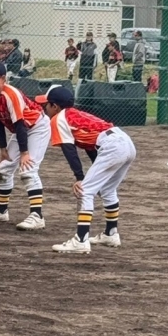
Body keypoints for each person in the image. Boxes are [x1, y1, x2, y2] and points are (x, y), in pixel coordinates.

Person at [36, 84, 136, 254]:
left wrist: (80, 178)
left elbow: (69, 149)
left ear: (55, 106)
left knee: (85, 191)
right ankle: (111, 234)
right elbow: (90, 145)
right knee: (107, 189)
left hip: (112, 146)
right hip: (125, 142)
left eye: (46, 104)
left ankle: (81, 240)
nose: (44, 108)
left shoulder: (58, 119)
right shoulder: (75, 114)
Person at [0, 57, 51, 230]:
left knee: (28, 169)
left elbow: (20, 124)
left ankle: (37, 216)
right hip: (21, 130)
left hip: (37, 127)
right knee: (3, 168)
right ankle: (1, 211)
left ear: (2, 79)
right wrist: (3, 150)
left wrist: (24, 153)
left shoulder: (11, 94)